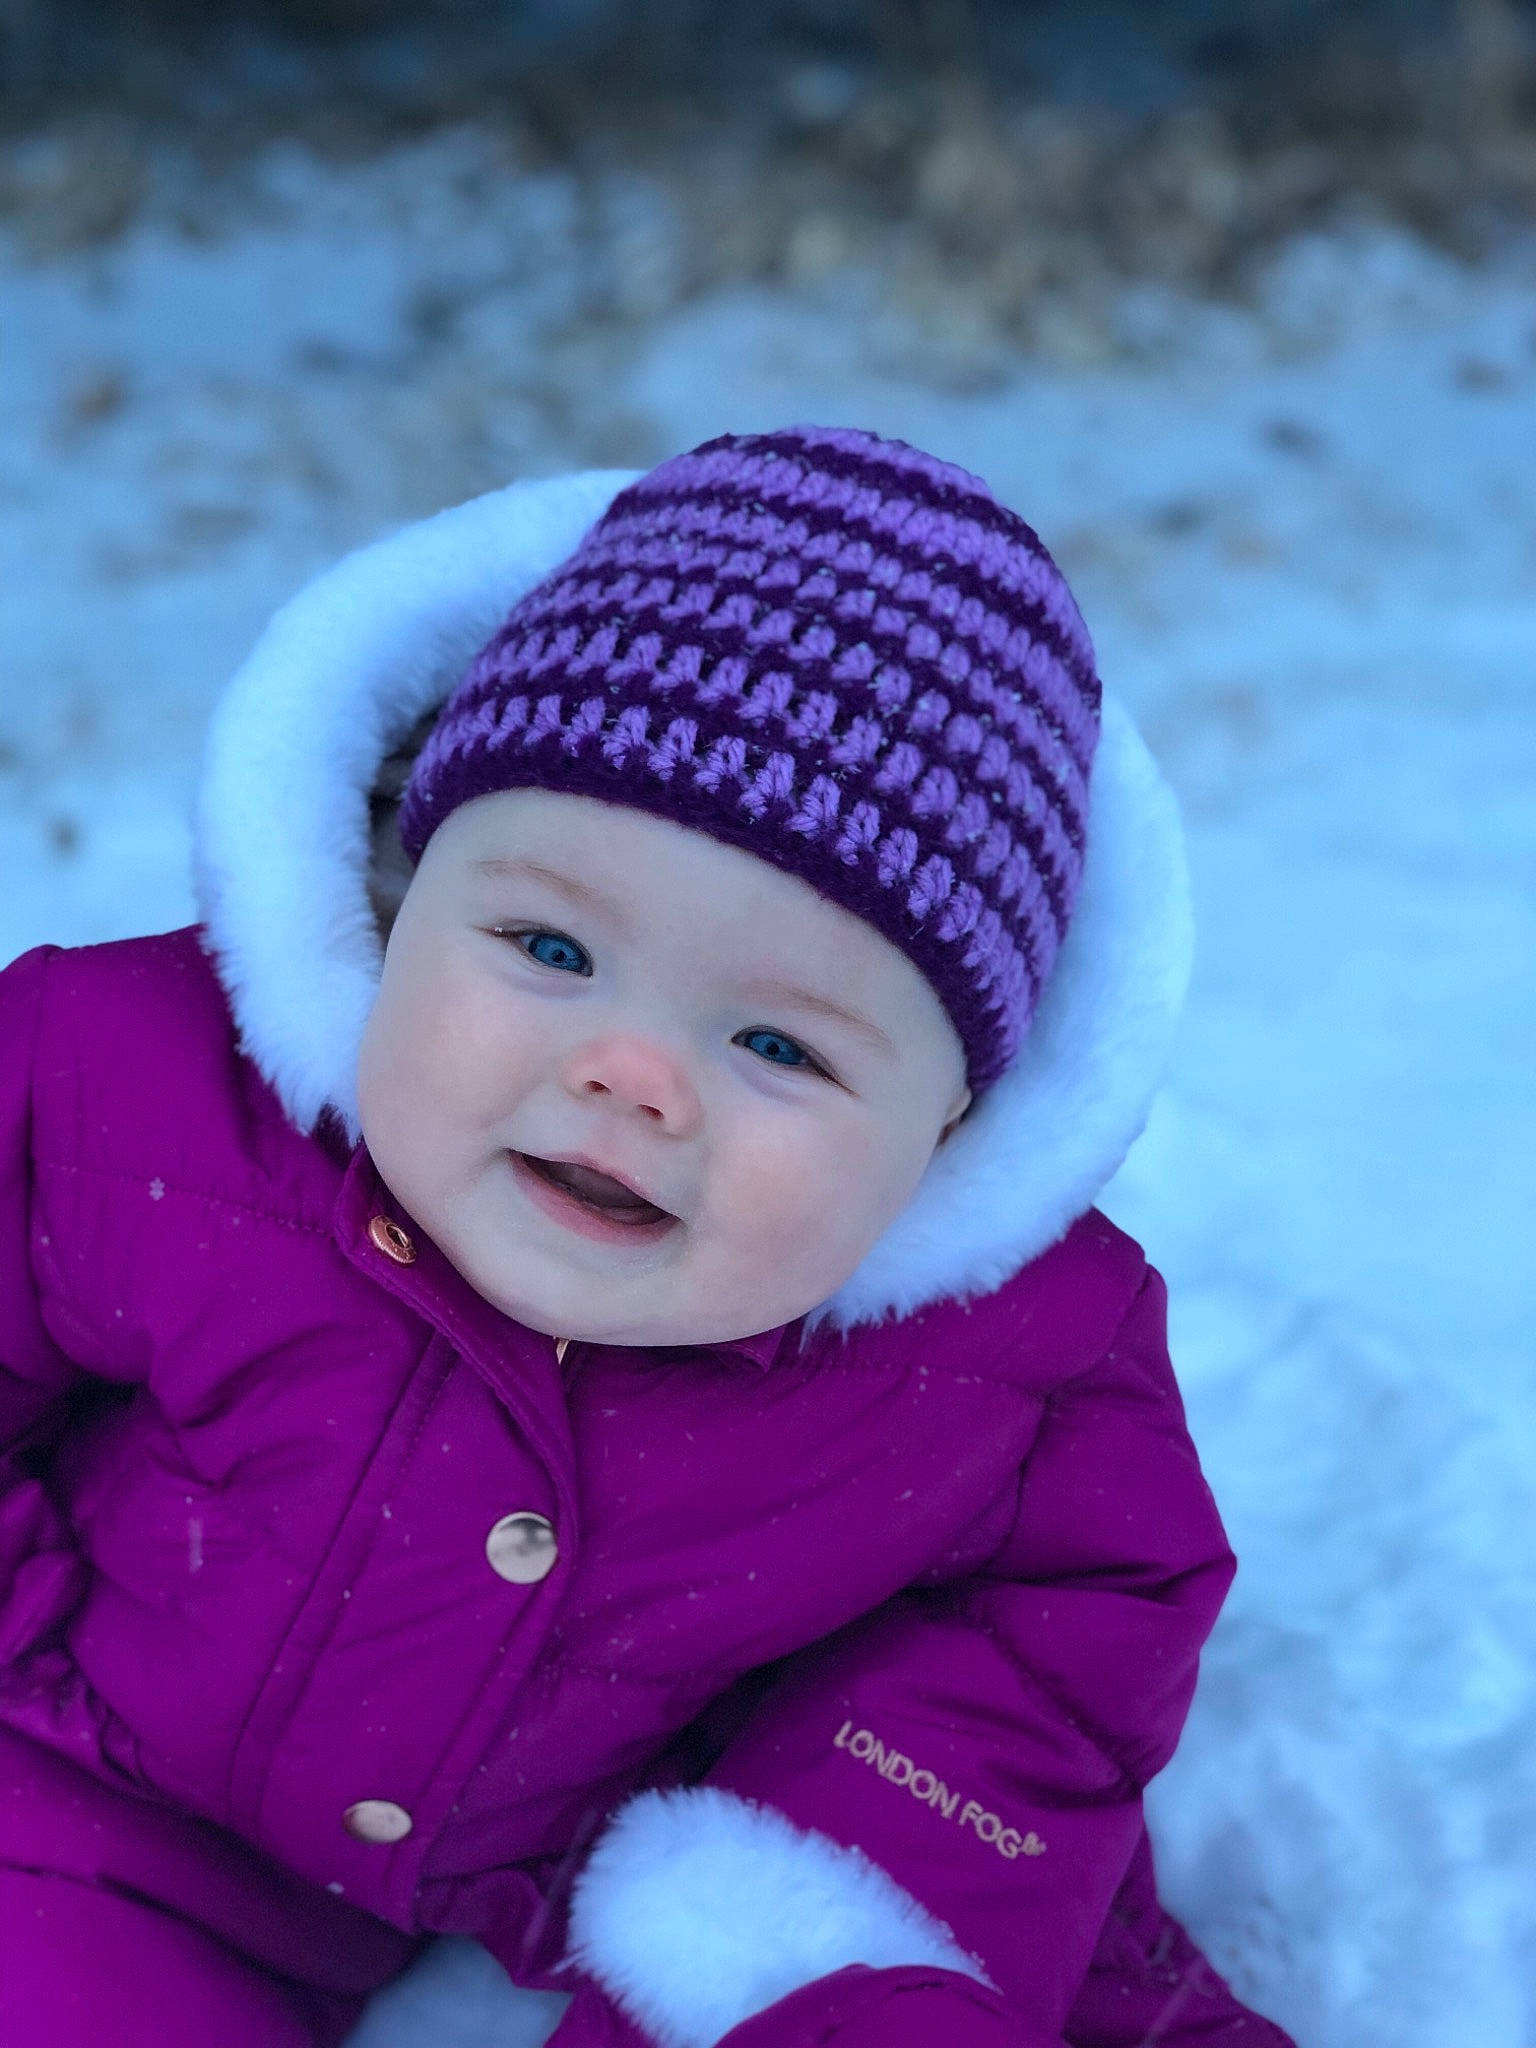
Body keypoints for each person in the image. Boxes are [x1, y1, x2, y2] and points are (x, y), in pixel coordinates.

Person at [0, 426, 1293, 2048]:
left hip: (596, 1851)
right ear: (402, 896)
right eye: (548, 943)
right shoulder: (143, 1101)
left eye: (780, 1047)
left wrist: (803, 1927)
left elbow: (1029, 1682)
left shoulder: (1009, 1380)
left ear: (949, 1130)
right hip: (111, 1800)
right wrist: (41, 1667)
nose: (633, 1074)